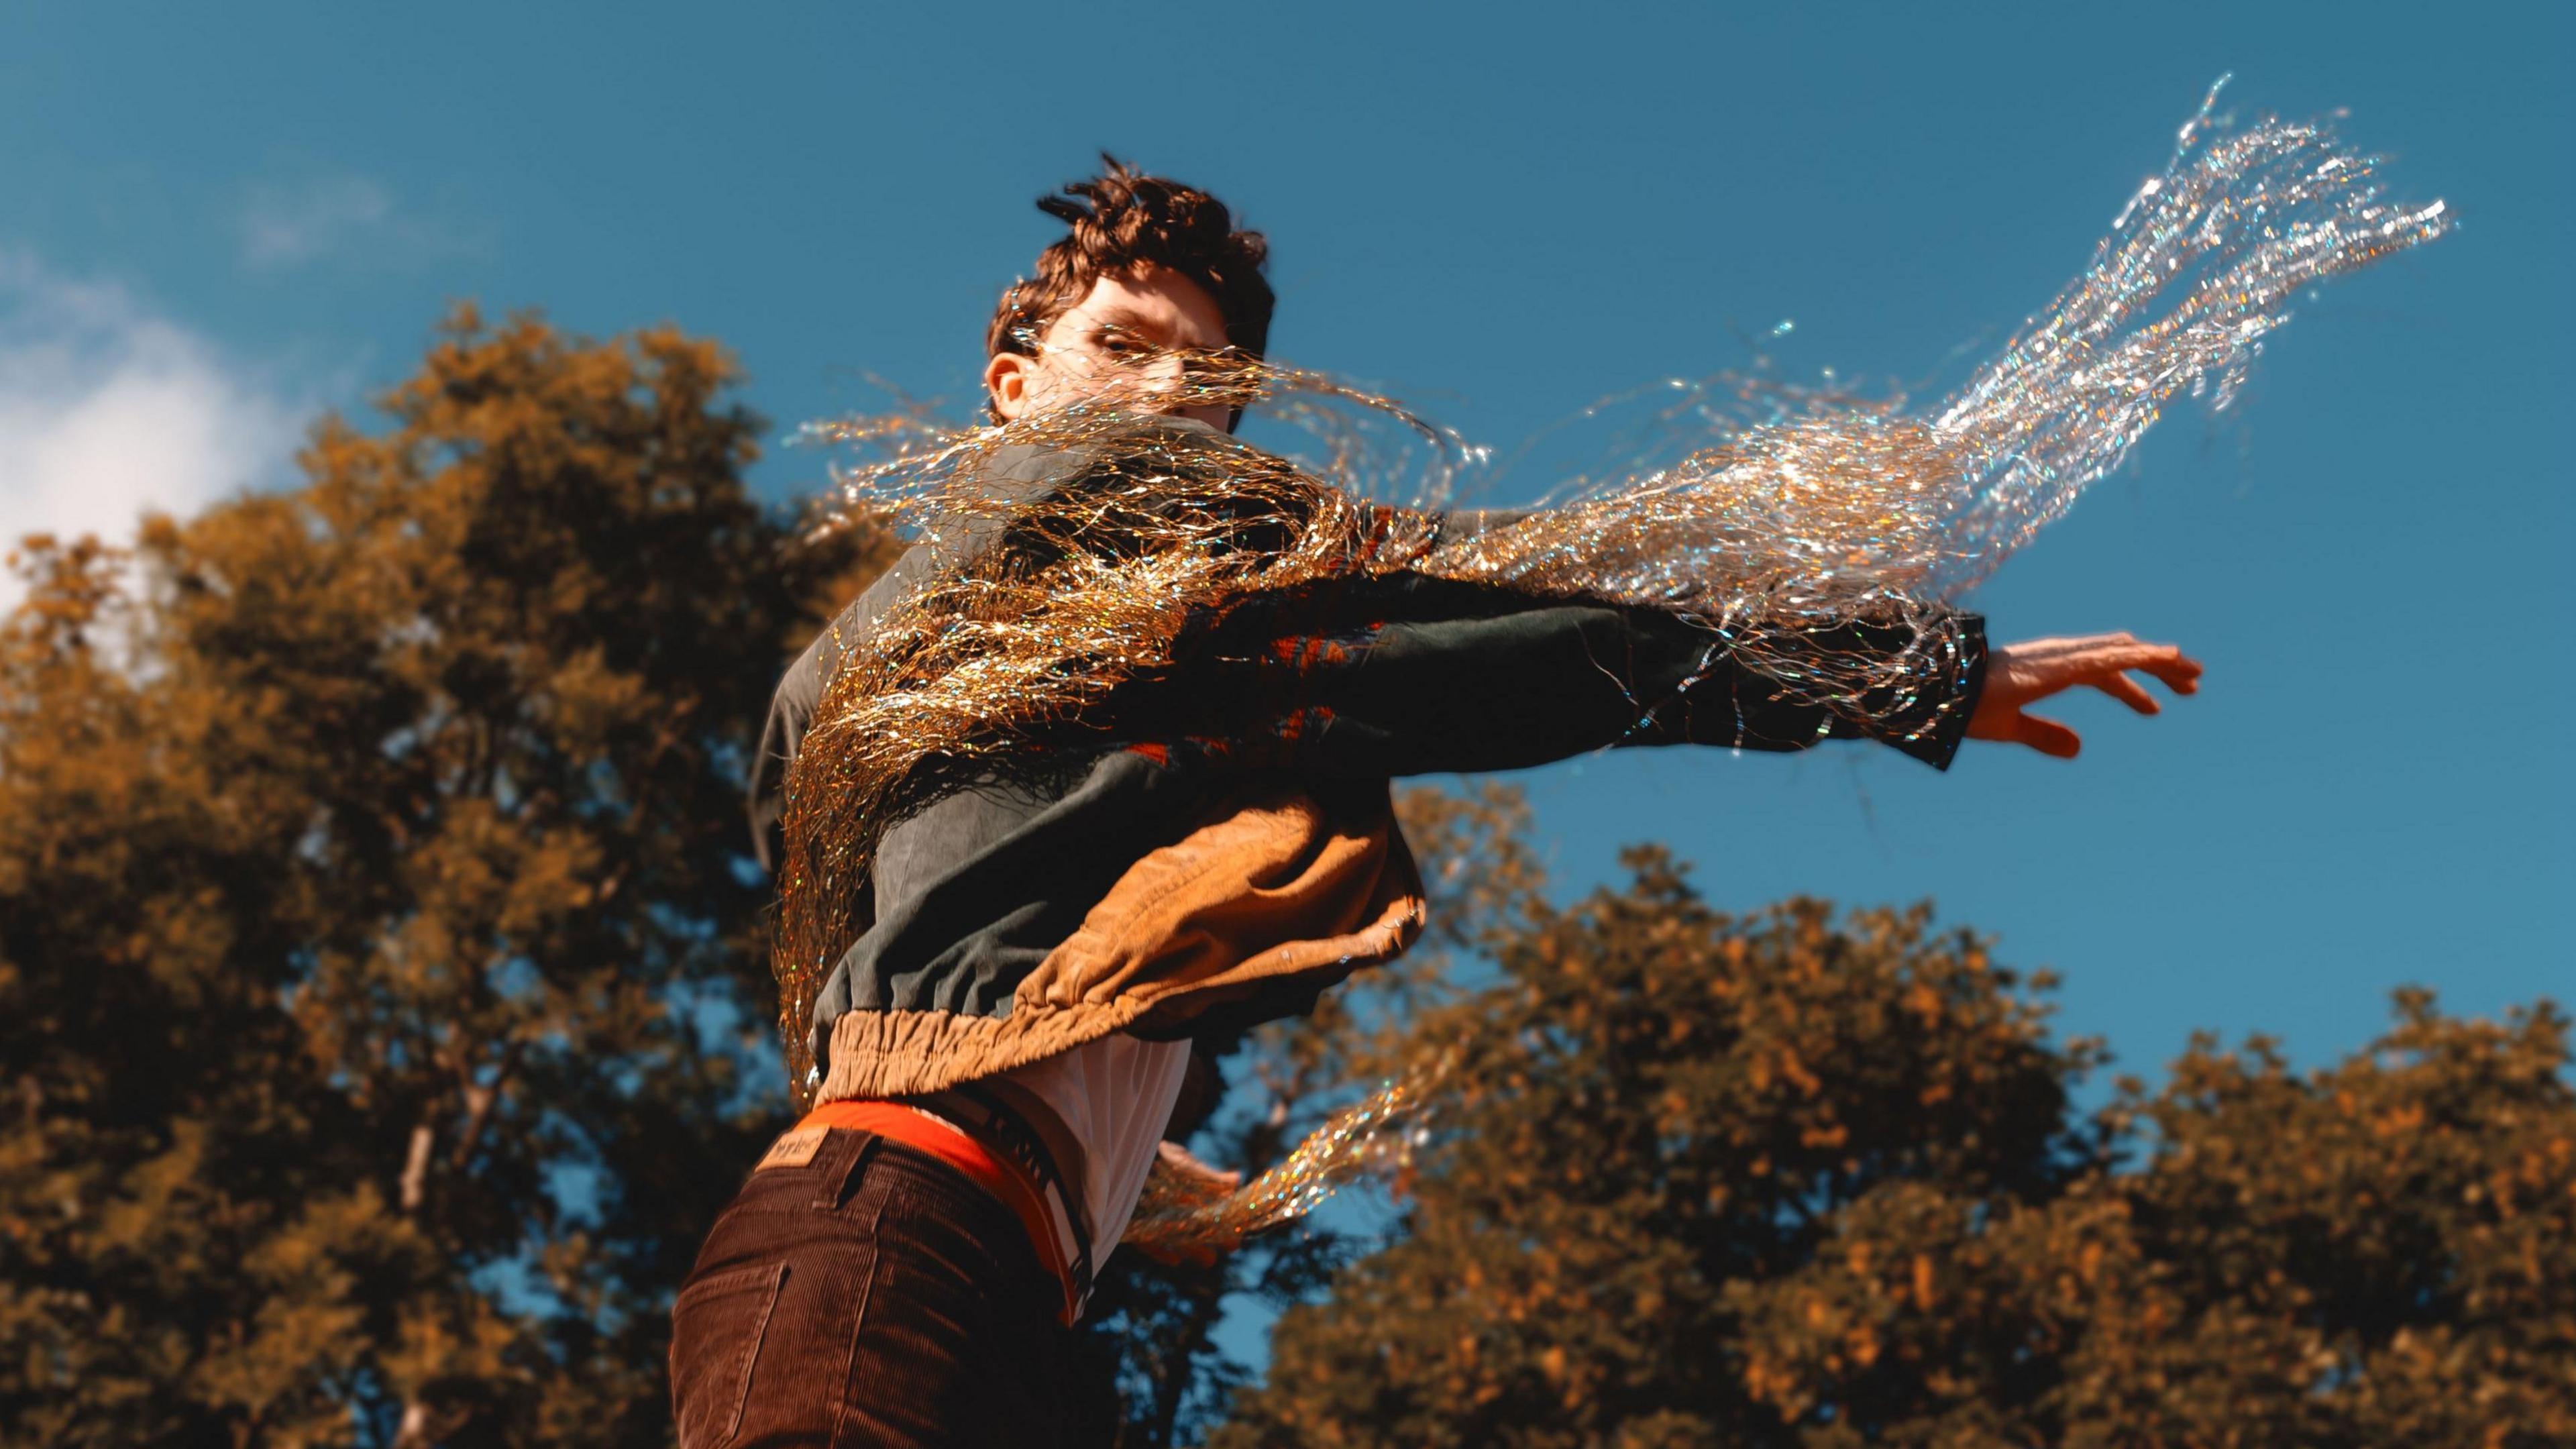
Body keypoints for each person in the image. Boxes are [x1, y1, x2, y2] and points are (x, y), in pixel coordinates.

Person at [671, 158, 2202, 1448]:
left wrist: (1114, 1141)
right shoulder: (1118, 532)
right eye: (1123, 346)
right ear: (1013, 385)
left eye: (1206, 382)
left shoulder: (881, 663)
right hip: (897, 1256)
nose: (1166, 400)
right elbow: (1510, 631)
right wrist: (1897, 674)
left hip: (939, 1253)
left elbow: (838, 906)